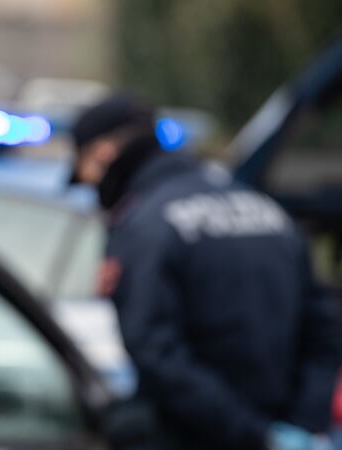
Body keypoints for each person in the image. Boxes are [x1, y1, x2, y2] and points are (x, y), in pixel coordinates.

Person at [68, 93, 342, 450]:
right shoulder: (266, 210)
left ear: (103, 153)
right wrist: (301, 424)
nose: (90, 186)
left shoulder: (145, 223)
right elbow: (324, 332)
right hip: (282, 428)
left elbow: (156, 353)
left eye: (84, 172)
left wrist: (255, 435)